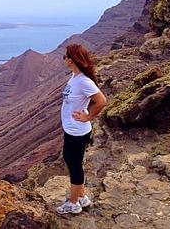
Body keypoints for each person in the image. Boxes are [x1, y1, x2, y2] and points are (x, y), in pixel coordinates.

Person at [56, 43, 107, 215]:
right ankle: (82, 197)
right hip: (72, 130)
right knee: (72, 161)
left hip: (77, 131)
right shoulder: (75, 77)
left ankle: (73, 203)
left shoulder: (84, 81)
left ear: (71, 60)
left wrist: (89, 116)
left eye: (66, 56)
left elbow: (101, 101)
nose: (64, 59)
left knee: (74, 165)